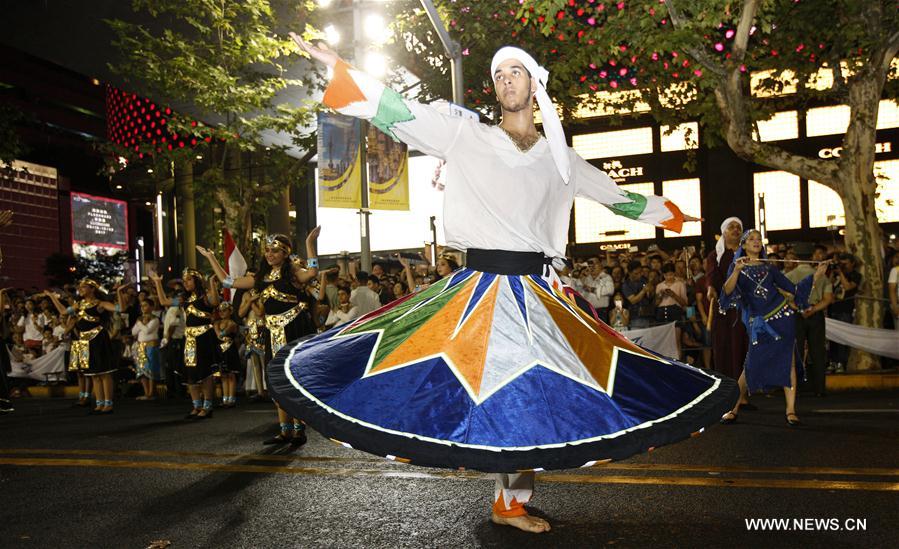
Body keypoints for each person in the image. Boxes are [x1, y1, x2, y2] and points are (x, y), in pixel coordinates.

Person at [280, 37, 735, 534]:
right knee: (494, 391)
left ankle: (509, 502)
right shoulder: (465, 136)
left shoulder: (561, 160)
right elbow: (399, 111)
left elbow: (617, 197)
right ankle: (508, 501)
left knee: (531, 393)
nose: (506, 80)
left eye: (515, 72)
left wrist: (670, 215)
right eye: (499, 75)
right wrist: (340, 68)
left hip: (538, 293)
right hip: (479, 288)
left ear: (534, 83)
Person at [198, 229, 320, 445]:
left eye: (275, 251)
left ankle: (299, 429)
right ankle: (284, 430)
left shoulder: (292, 273)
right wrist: (211, 258)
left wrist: (310, 242)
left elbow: (312, 273)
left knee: (294, 378)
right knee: (275, 380)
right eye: (267, 250)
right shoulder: (259, 277)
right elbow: (228, 281)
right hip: (272, 332)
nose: (269, 254)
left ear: (285, 253)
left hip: (293, 330)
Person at [719, 230, 828, 426]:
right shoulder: (737, 268)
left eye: (759, 239)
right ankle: (733, 408)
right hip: (759, 324)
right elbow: (727, 291)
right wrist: (736, 271)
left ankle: (791, 411)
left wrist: (817, 275)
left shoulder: (770, 268)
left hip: (782, 318)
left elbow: (793, 290)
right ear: (743, 245)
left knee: (789, 362)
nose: (756, 242)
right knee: (750, 364)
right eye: (751, 239)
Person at [149, 269, 220, 419]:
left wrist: (212, 284)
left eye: (189, 280)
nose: (186, 283)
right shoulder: (184, 299)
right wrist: (157, 282)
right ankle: (196, 405)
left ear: (196, 281)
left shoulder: (205, 296)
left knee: (206, 373)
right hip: (189, 339)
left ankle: (208, 406)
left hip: (204, 337)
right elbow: (164, 302)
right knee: (190, 374)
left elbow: (215, 302)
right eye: (185, 280)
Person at [44, 279, 118, 414]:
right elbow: (63, 312)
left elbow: (120, 309)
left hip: (98, 338)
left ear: (92, 289)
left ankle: (108, 404)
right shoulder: (79, 305)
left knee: (104, 372)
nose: (81, 289)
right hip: (84, 340)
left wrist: (119, 292)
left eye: (84, 287)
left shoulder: (100, 304)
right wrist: (52, 297)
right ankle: (99, 404)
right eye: (80, 287)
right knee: (94, 373)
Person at [705, 217, 751, 394]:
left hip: (744, 307)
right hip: (723, 308)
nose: (735, 229)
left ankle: (743, 394)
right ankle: (726, 393)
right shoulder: (715, 255)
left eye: (738, 227)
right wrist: (710, 288)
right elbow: (711, 276)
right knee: (724, 348)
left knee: (743, 348)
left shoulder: (747, 254)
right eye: (731, 227)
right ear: (724, 232)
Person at [786, 244, 833, 397]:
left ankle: (796, 388)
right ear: (812, 256)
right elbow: (828, 299)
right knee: (818, 351)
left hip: (796, 315)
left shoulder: (789, 276)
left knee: (797, 352)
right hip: (815, 315)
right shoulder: (823, 276)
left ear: (796, 257)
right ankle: (820, 389)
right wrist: (813, 309)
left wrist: (798, 308)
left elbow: (784, 298)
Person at [827, 253, 862, 372]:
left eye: (845, 263)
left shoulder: (856, 275)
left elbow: (847, 287)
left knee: (842, 339)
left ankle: (841, 362)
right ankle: (833, 361)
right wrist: (833, 271)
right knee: (832, 339)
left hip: (845, 310)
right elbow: (828, 285)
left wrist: (840, 273)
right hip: (833, 309)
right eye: (841, 263)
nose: (843, 266)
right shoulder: (836, 274)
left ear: (852, 263)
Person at [130, 298, 160, 400]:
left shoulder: (155, 319)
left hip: (151, 345)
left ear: (151, 307)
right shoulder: (140, 319)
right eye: (141, 305)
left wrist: (139, 323)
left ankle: (152, 393)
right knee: (141, 370)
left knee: (150, 369)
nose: (143, 307)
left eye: (145, 305)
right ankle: (146, 392)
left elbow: (147, 331)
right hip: (140, 346)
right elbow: (133, 332)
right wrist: (140, 323)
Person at [214, 302, 240, 408]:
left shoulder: (232, 324)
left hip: (230, 351)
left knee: (231, 375)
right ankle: (225, 398)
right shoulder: (217, 323)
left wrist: (218, 330)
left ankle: (231, 399)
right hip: (220, 350)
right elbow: (218, 335)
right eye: (220, 311)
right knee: (223, 375)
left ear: (230, 311)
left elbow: (221, 334)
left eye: (224, 310)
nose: (221, 313)